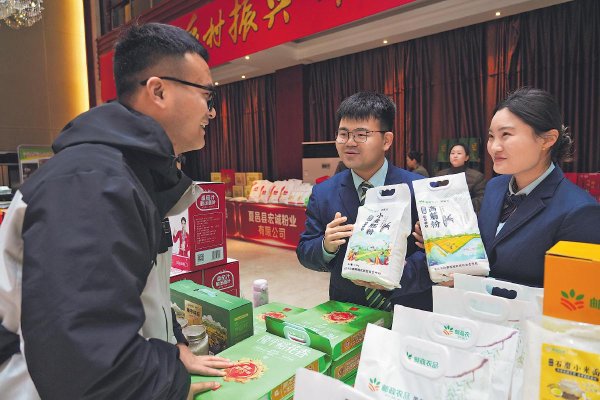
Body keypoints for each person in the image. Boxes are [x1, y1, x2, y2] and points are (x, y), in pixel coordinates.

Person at [0, 23, 233, 399]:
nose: (212, 111)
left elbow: (140, 294)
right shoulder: (90, 184)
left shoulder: (132, 175)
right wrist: (166, 381)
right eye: (207, 94)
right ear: (158, 91)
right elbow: (83, 359)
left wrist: (171, 348)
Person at [297, 91, 433, 311]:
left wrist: (395, 275)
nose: (349, 142)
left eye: (361, 134)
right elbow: (305, 251)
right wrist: (326, 246)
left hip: (408, 309)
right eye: (343, 134)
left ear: (386, 140)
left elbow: (437, 257)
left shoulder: (419, 188)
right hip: (348, 312)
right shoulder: (323, 193)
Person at [479, 87, 600, 287]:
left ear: (547, 140)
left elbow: (573, 292)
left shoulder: (580, 211)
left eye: (506, 134)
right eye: (491, 136)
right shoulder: (494, 187)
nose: (494, 147)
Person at [436, 143, 486, 213]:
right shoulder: (440, 175)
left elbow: (482, 198)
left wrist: (463, 204)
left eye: (459, 153)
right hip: (444, 212)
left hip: (466, 214)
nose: (455, 156)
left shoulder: (476, 176)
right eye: (452, 153)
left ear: (466, 157)